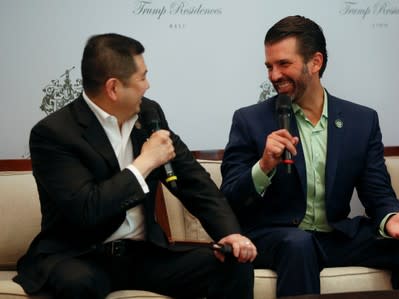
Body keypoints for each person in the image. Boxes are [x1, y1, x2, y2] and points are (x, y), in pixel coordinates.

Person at [13, 33, 257, 299]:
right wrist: (145, 162)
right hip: (80, 254)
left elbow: (195, 183)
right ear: (113, 88)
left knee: (234, 266)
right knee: (78, 283)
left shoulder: (149, 115)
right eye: (142, 77)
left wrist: (231, 234)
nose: (148, 85)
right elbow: (87, 209)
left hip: (143, 255)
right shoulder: (54, 133)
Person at [220, 15, 399, 297]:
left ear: (315, 62)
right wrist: (263, 166)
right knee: (299, 243)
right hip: (277, 238)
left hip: (334, 236)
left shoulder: (361, 121)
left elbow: (377, 192)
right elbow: (228, 198)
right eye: (269, 66)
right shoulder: (249, 120)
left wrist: (390, 218)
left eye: (283, 64)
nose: (274, 75)